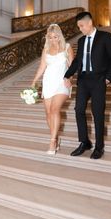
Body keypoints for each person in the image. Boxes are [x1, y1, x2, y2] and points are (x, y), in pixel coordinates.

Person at [64, 11, 111, 159]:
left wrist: (108, 78)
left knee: (98, 113)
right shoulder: (81, 41)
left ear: (89, 23)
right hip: (83, 81)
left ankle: (99, 147)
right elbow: (77, 61)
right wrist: (67, 74)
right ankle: (84, 142)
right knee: (78, 110)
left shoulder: (105, 37)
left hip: (98, 80)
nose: (80, 29)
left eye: (81, 26)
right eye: (79, 26)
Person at [31, 24, 74, 155]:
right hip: (48, 82)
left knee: (55, 109)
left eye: (55, 37)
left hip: (62, 82)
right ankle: (55, 137)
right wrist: (34, 81)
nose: (53, 40)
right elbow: (42, 67)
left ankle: (53, 141)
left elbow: (73, 66)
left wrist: (70, 79)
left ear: (59, 36)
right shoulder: (46, 50)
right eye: (50, 37)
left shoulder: (67, 48)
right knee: (48, 113)